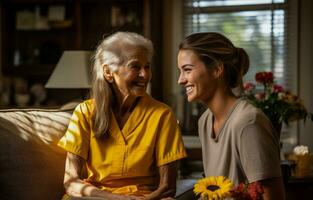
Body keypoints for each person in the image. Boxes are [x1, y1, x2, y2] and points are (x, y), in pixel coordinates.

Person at [58, 32, 187, 200]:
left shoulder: (162, 115)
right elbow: (71, 182)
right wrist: (118, 199)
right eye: (135, 67)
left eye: (147, 66)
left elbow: (167, 188)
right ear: (108, 72)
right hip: (96, 198)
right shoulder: (85, 112)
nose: (145, 75)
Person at [177, 32, 285, 200]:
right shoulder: (205, 121)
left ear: (217, 70)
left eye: (187, 70)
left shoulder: (248, 123)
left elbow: (274, 196)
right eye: (180, 71)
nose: (181, 80)